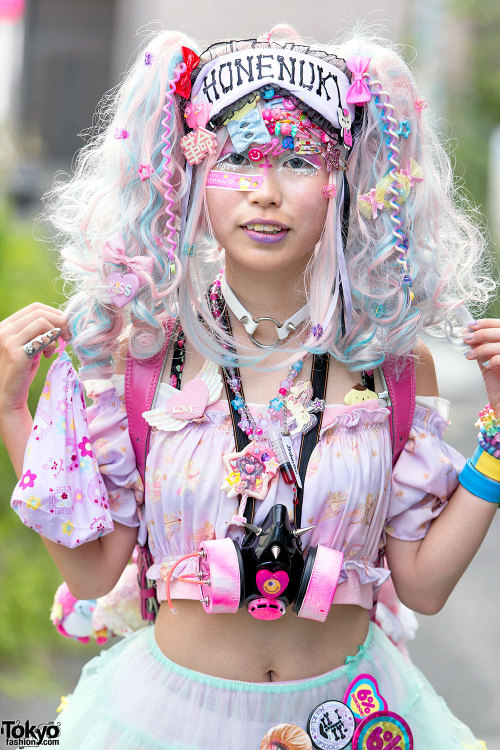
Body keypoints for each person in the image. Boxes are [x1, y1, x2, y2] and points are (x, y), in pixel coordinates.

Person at [1, 24, 498, 749]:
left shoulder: (393, 366)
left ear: (341, 184)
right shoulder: (141, 359)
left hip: (353, 721)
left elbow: (421, 584)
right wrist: (12, 411)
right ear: (195, 176)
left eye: (298, 160)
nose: (265, 193)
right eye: (237, 159)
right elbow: (92, 569)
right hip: (161, 721)